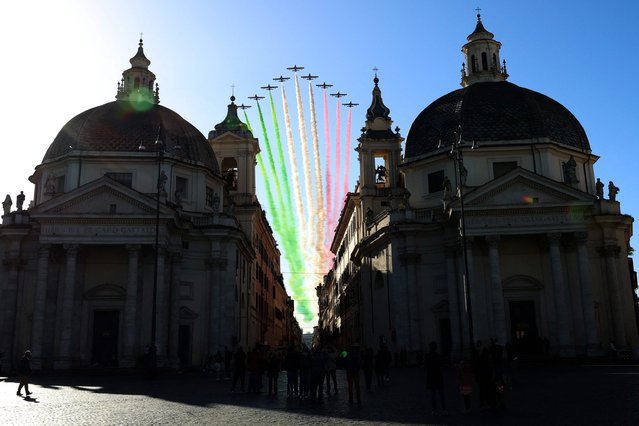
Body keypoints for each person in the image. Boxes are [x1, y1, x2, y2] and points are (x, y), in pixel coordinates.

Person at [425, 341, 446, 416]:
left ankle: (434, 410)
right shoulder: (439, 356)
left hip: (431, 377)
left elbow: (426, 367)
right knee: (441, 395)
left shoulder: (427, 357)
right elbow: (442, 366)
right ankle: (444, 409)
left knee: (433, 395)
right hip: (438, 376)